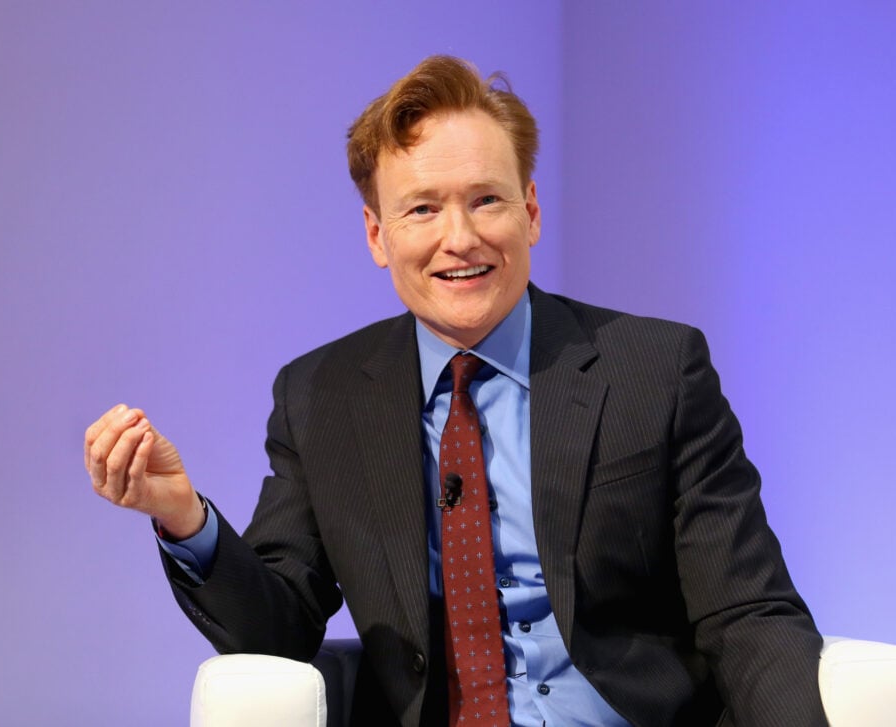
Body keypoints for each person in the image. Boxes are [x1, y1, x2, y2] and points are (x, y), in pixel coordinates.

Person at [85, 55, 828, 726]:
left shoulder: (655, 368)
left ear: (530, 212)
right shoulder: (322, 395)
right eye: (422, 208)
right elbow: (279, 629)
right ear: (377, 236)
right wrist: (185, 519)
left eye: (486, 200)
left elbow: (747, 609)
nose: (460, 237)